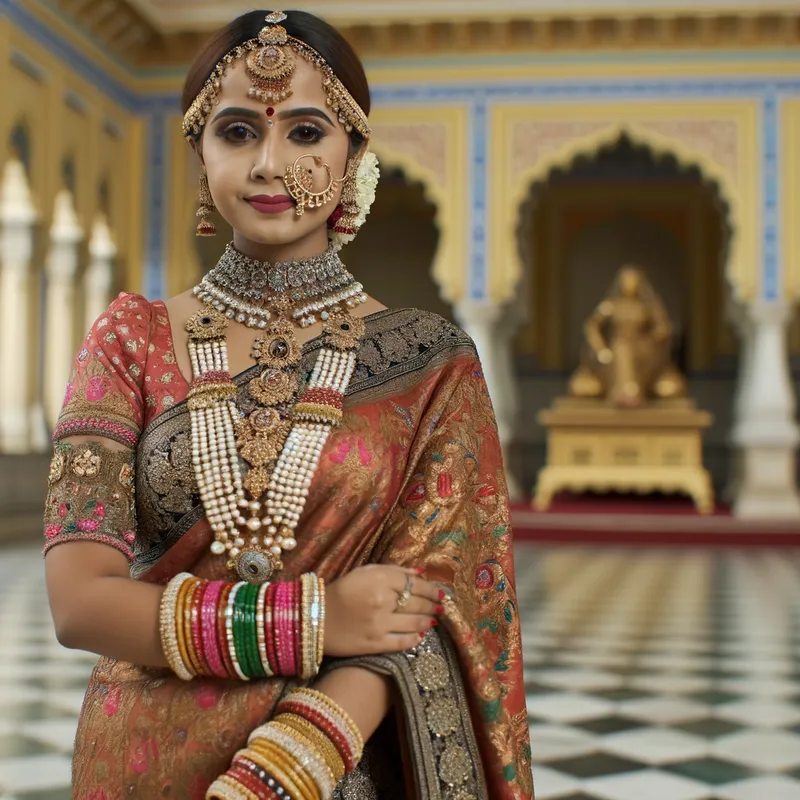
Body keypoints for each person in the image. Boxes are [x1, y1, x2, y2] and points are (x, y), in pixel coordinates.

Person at [43, 10, 532, 799]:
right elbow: (79, 603)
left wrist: (280, 772)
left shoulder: (431, 365)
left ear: (354, 153)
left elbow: (433, 611)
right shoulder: (130, 338)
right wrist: (312, 620)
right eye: (237, 132)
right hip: (138, 759)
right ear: (200, 155)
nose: (270, 165)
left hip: (329, 764)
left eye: (306, 133)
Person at [569, 265, 687, 407]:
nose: (629, 284)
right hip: (617, 348)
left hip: (642, 350)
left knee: (666, 385)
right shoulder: (611, 305)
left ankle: (632, 389)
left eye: (633, 280)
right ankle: (627, 390)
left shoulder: (647, 307)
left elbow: (663, 327)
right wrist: (600, 348)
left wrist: (651, 339)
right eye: (626, 280)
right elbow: (592, 326)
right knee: (622, 349)